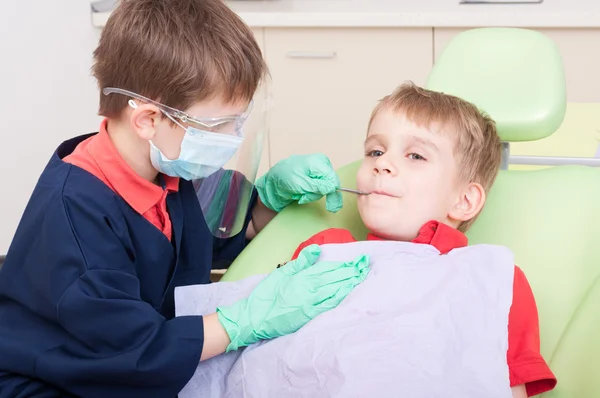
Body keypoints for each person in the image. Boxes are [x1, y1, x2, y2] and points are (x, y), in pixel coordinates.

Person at [0, 0, 369, 396]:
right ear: (148, 119)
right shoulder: (74, 218)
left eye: (239, 121)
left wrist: (268, 201)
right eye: (218, 124)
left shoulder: (169, 169)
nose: (232, 137)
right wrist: (246, 319)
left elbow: (212, 236)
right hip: (55, 383)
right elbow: (136, 352)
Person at [285, 82, 556, 397]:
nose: (381, 163)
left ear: (464, 201)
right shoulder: (326, 250)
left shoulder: (492, 278)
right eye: (375, 150)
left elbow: (506, 388)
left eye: (415, 155)